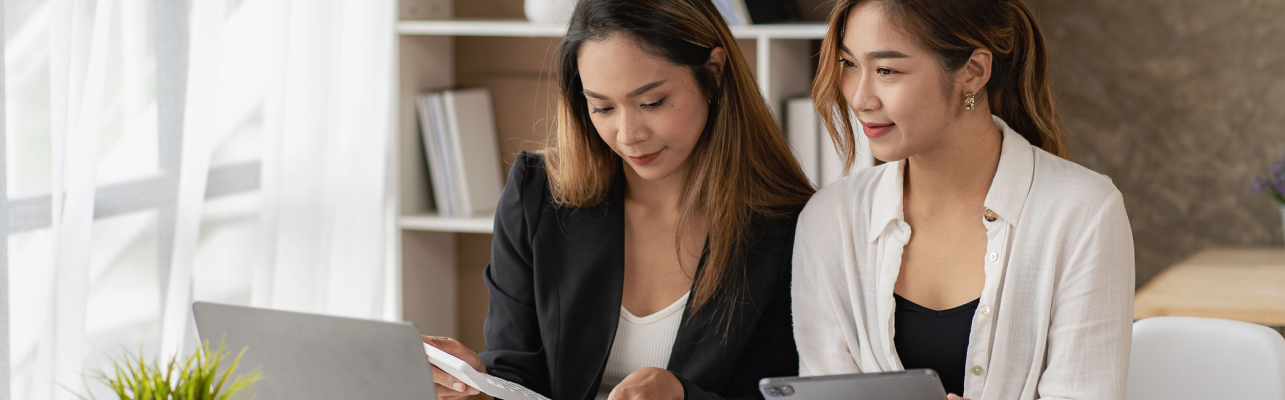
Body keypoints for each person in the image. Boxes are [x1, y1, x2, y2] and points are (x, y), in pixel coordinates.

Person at [424, 0, 816, 398]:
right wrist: (481, 385)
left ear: (713, 73)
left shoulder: (790, 226)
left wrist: (683, 396)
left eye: (652, 103)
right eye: (603, 107)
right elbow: (519, 372)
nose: (628, 134)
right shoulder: (538, 193)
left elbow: (782, 392)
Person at [791, 0, 1135, 399]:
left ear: (972, 73)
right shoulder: (829, 220)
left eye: (886, 70)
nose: (860, 97)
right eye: (849, 64)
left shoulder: (1083, 213)